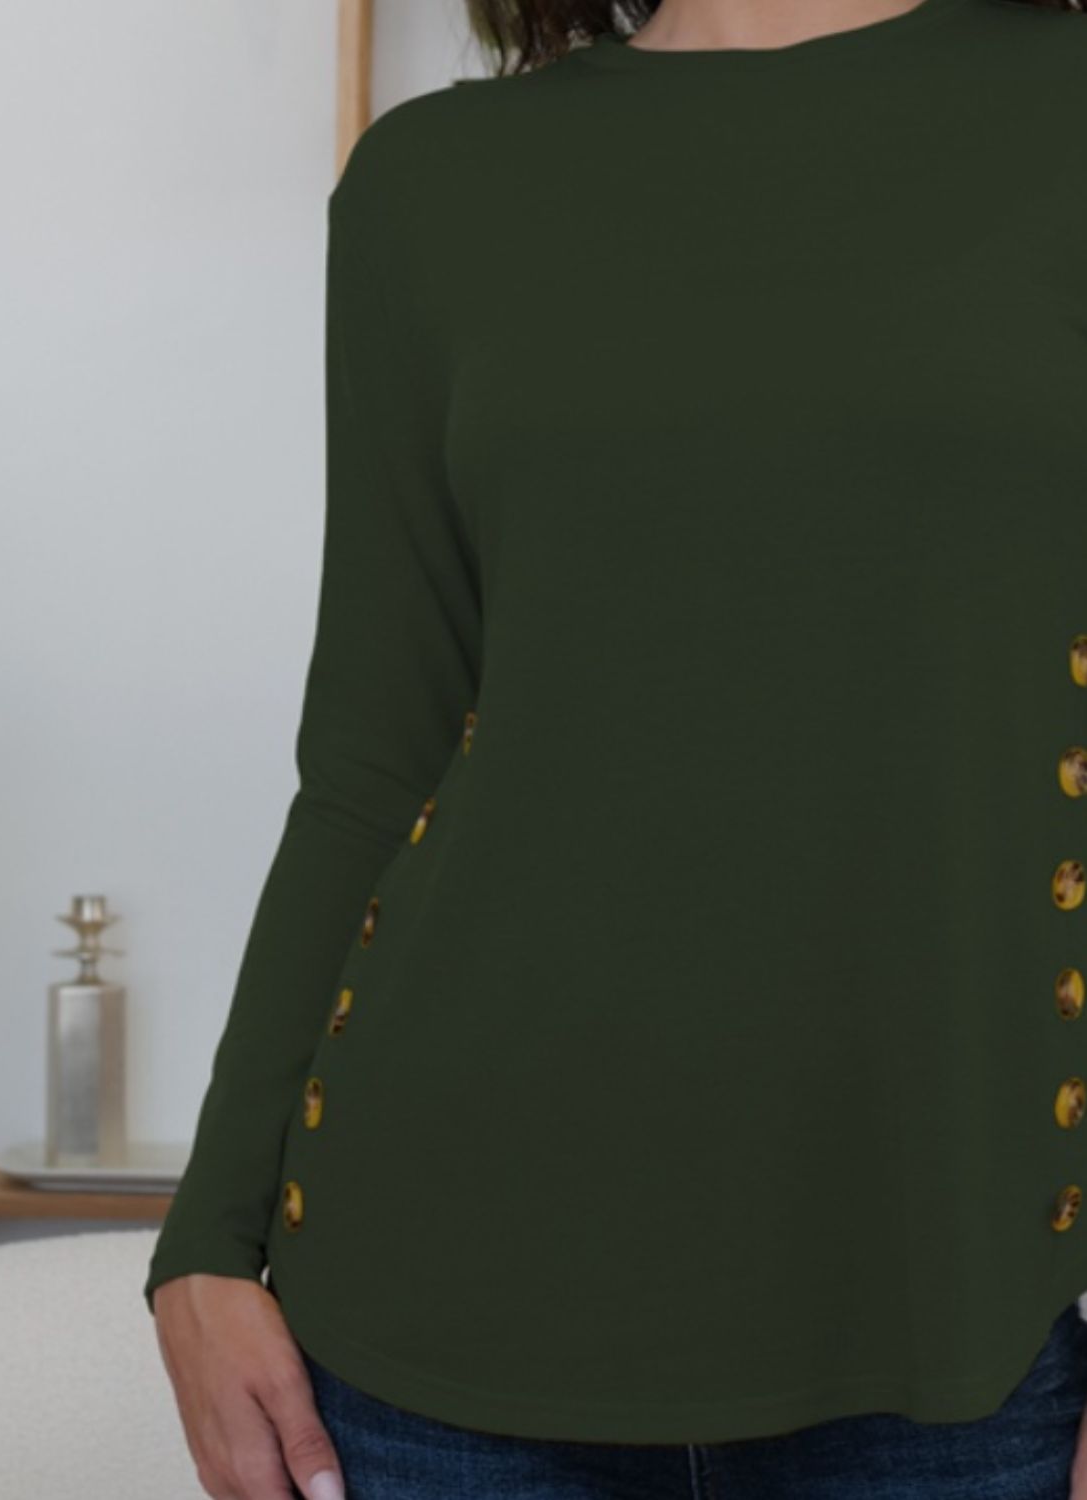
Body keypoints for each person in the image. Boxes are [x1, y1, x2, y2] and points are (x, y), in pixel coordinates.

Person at [144, 0, 1087, 1494]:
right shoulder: (432, 183)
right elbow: (373, 767)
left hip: (952, 1320)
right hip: (429, 1331)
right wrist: (206, 1240)